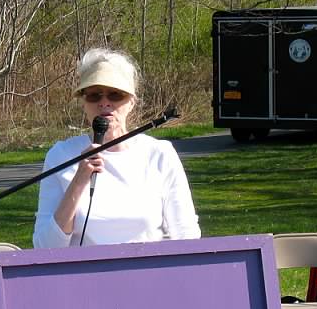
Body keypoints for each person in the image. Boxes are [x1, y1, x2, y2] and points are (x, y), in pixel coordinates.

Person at [32, 48, 201, 249]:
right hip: (83, 277)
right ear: (83, 103)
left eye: (115, 95)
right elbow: (44, 248)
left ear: (131, 102)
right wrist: (79, 181)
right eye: (94, 95)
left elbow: (187, 237)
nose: (105, 103)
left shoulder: (160, 155)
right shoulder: (61, 156)